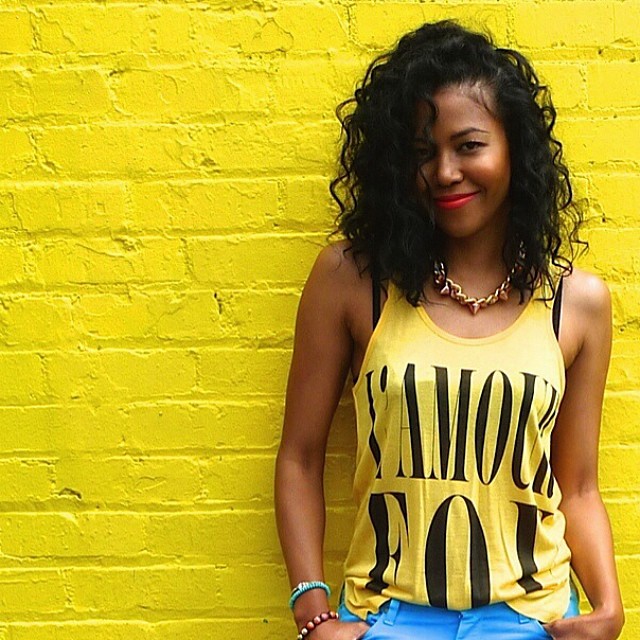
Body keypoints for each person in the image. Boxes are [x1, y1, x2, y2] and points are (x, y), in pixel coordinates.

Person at [275, 20, 624, 640]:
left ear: (515, 149)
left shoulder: (577, 303)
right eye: (421, 152)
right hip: (387, 619)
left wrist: (608, 608)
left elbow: (577, 485)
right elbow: (300, 458)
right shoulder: (354, 281)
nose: (444, 171)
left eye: (469, 145)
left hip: (532, 620)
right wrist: (312, 608)